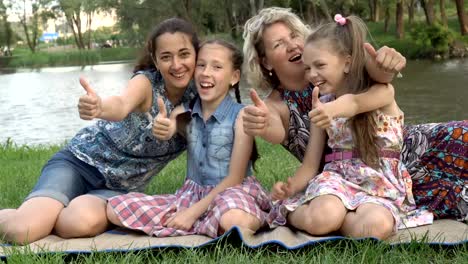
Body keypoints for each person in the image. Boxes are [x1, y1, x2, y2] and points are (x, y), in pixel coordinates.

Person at [242, 7, 468, 222]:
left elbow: (381, 81)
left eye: (294, 35)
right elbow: (273, 128)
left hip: (397, 152)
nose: (292, 45)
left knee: (462, 135)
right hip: (347, 179)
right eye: (279, 44)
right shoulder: (274, 105)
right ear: (265, 61)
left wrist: (387, 64)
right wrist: (262, 124)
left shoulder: (336, 66)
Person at [0, 18, 200, 244]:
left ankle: (50, 212)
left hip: (119, 188)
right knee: (22, 230)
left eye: (184, 54)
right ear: (155, 59)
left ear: (196, 55)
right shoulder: (146, 83)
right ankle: (36, 215)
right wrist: (99, 107)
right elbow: (121, 104)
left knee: (78, 224)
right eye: (166, 57)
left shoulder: (202, 96)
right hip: (78, 163)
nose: (176, 65)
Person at [270, 14, 433, 239]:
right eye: (307, 68)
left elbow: (354, 103)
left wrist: (331, 110)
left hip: (379, 184)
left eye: (320, 65)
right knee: (322, 218)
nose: (312, 74)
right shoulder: (322, 106)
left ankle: (342, 221)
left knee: (375, 228)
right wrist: (290, 187)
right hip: (336, 180)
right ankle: (290, 213)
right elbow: (310, 165)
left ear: (347, 62)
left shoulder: (382, 93)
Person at [106, 39, 270, 238]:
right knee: (116, 209)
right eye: (201, 65)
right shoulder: (183, 112)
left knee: (233, 219)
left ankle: (217, 219)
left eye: (217, 67)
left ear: (234, 77)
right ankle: (205, 223)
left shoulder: (241, 115)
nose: (206, 72)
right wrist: (163, 127)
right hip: (191, 196)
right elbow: (169, 128)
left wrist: (192, 213)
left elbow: (235, 178)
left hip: (232, 191)